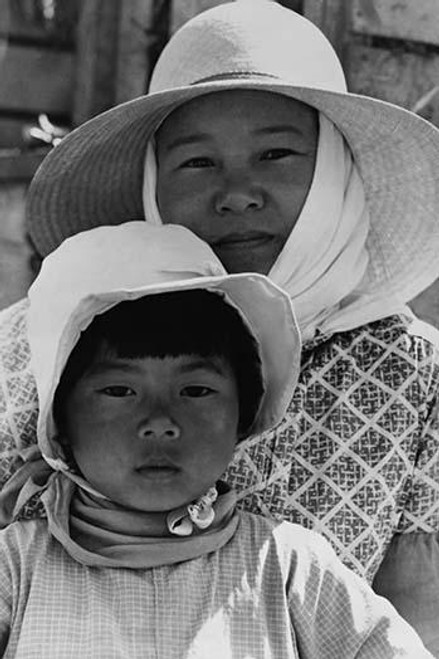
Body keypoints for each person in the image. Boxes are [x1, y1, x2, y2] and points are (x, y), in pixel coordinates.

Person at [1, 0, 439, 653]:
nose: (237, 193)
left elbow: (415, 614)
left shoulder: (412, 373)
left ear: (334, 170)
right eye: (197, 162)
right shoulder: (40, 341)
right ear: (152, 179)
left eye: (277, 154)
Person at [0, 220, 433, 658]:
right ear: (61, 420)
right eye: (119, 391)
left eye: (196, 391)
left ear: (242, 416)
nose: (160, 422)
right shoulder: (16, 568)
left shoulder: (286, 565)